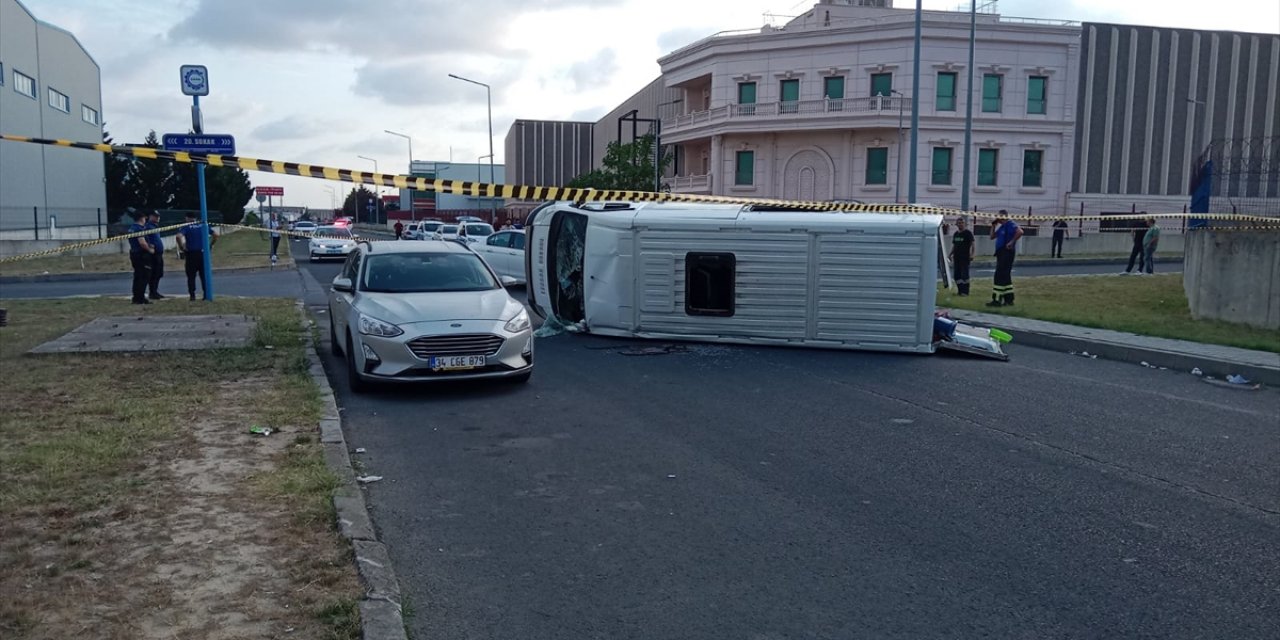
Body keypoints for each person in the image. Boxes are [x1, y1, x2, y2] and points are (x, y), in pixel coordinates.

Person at [176, 212, 217, 301]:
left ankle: (192, 295)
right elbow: (216, 235)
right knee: (204, 275)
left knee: (191, 276)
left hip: (191, 254)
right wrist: (210, 245)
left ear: (187, 218)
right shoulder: (203, 225)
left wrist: (182, 247)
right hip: (203, 254)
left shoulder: (187, 226)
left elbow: (178, 236)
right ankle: (206, 294)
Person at [987, 211, 1023, 307]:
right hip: (1001, 253)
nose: (998, 218)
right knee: (1006, 277)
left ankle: (997, 300)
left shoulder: (1010, 224)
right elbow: (992, 236)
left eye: (999, 216)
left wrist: (1011, 242)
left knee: (999, 275)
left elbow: (1020, 231)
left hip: (1007, 252)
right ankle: (1009, 299)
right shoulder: (1002, 227)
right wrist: (993, 225)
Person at [126, 211, 155, 305]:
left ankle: (136, 297)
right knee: (144, 276)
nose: (145, 219)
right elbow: (142, 242)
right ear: (141, 218)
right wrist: (150, 250)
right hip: (141, 255)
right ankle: (140, 298)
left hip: (134, 253)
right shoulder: (139, 229)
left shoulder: (132, 228)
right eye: (144, 217)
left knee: (138, 276)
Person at [949, 217, 975, 296]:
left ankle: (965, 292)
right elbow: (954, 246)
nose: (960, 224)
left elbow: (973, 244)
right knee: (957, 275)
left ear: (964, 224)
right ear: (956, 224)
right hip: (957, 257)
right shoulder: (956, 234)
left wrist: (972, 254)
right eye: (959, 223)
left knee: (964, 275)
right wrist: (950, 254)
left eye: (962, 223)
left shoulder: (968, 233)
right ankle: (960, 291)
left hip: (965, 257)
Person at [144, 210, 166, 300]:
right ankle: (152, 292)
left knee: (159, 273)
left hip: (159, 253)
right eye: (155, 216)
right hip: (153, 254)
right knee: (154, 273)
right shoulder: (148, 227)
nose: (158, 218)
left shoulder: (155, 226)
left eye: (158, 216)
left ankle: (155, 291)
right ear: (150, 216)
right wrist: (149, 245)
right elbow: (145, 237)